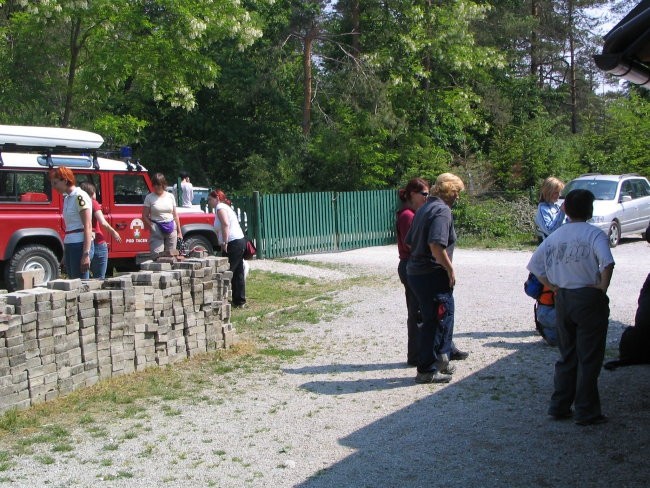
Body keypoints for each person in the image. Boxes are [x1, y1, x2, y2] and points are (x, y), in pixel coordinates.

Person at [527, 189, 615, 426]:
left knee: (567, 354)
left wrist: (553, 286)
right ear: (590, 209)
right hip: (588, 296)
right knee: (589, 356)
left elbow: (534, 266)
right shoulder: (595, 235)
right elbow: (607, 262)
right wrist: (602, 287)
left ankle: (560, 404)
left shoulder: (555, 236)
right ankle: (586, 410)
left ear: (565, 209)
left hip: (563, 297)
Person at [406, 173, 466, 384]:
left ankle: (441, 358)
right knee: (437, 319)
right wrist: (450, 270)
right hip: (431, 273)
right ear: (448, 191)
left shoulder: (423, 208)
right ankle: (427, 369)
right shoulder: (442, 210)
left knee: (433, 318)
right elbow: (435, 246)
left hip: (416, 272)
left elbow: (410, 242)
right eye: (456, 192)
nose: (457, 197)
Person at [397, 178, 430, 366]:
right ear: (412, 194)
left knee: (420, 311)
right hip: (410, 265)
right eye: (424, 194)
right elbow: (410, 243)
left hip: (411, 264)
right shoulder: (408, 215)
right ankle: (416, 355)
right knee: (417, 312)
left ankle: (420, 353)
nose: (427, 198)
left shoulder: (411, 213)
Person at [49, 166, 94, 279]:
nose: (54, 187)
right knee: (72, 282)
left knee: (80, 284)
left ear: (65, 180)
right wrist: (65, 253)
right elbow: (69, 227)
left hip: (80, 244)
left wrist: (86, 254)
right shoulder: (68, 198)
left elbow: (88, 226)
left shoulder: (79, 196)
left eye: (55, 183)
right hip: (71, 244)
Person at [208, 189, 247, 308]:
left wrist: (224, 242)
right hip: (239, 241)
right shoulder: (225, 206)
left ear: (217, 198)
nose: (209, 202)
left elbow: (225, 224)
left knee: (227, 271)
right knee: (238, 272)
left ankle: (221, 299)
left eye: (210, 199)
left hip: (233, 242)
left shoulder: (220, 207)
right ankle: (239, 301)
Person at [79, 182, 122, 279]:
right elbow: (103, 222)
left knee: (83, 278)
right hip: (98, 242)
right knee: (99, 278)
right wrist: (114, 232)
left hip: (82, 242)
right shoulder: (93, 203)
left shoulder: (77, 203)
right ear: (91, 192)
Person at [142, 173, 182, 255]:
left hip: (171, 227)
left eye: (158, 185)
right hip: (157, 227)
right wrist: (152, 226)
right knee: (156, 255)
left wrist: (179, 232)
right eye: (154, 185)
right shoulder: (149, 197)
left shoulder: (170, 196)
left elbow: (175, 215)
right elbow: (144, 216)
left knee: (171, 256)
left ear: (163, 185)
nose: (156, 187)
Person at [535, 176, 566, 242]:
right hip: (551, 246)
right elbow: (550, 231)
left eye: (559, 192)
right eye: (556, 192)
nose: (559, 195)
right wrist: (562, 211)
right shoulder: (543, 209)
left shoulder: (556, 206)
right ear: (548, 192)